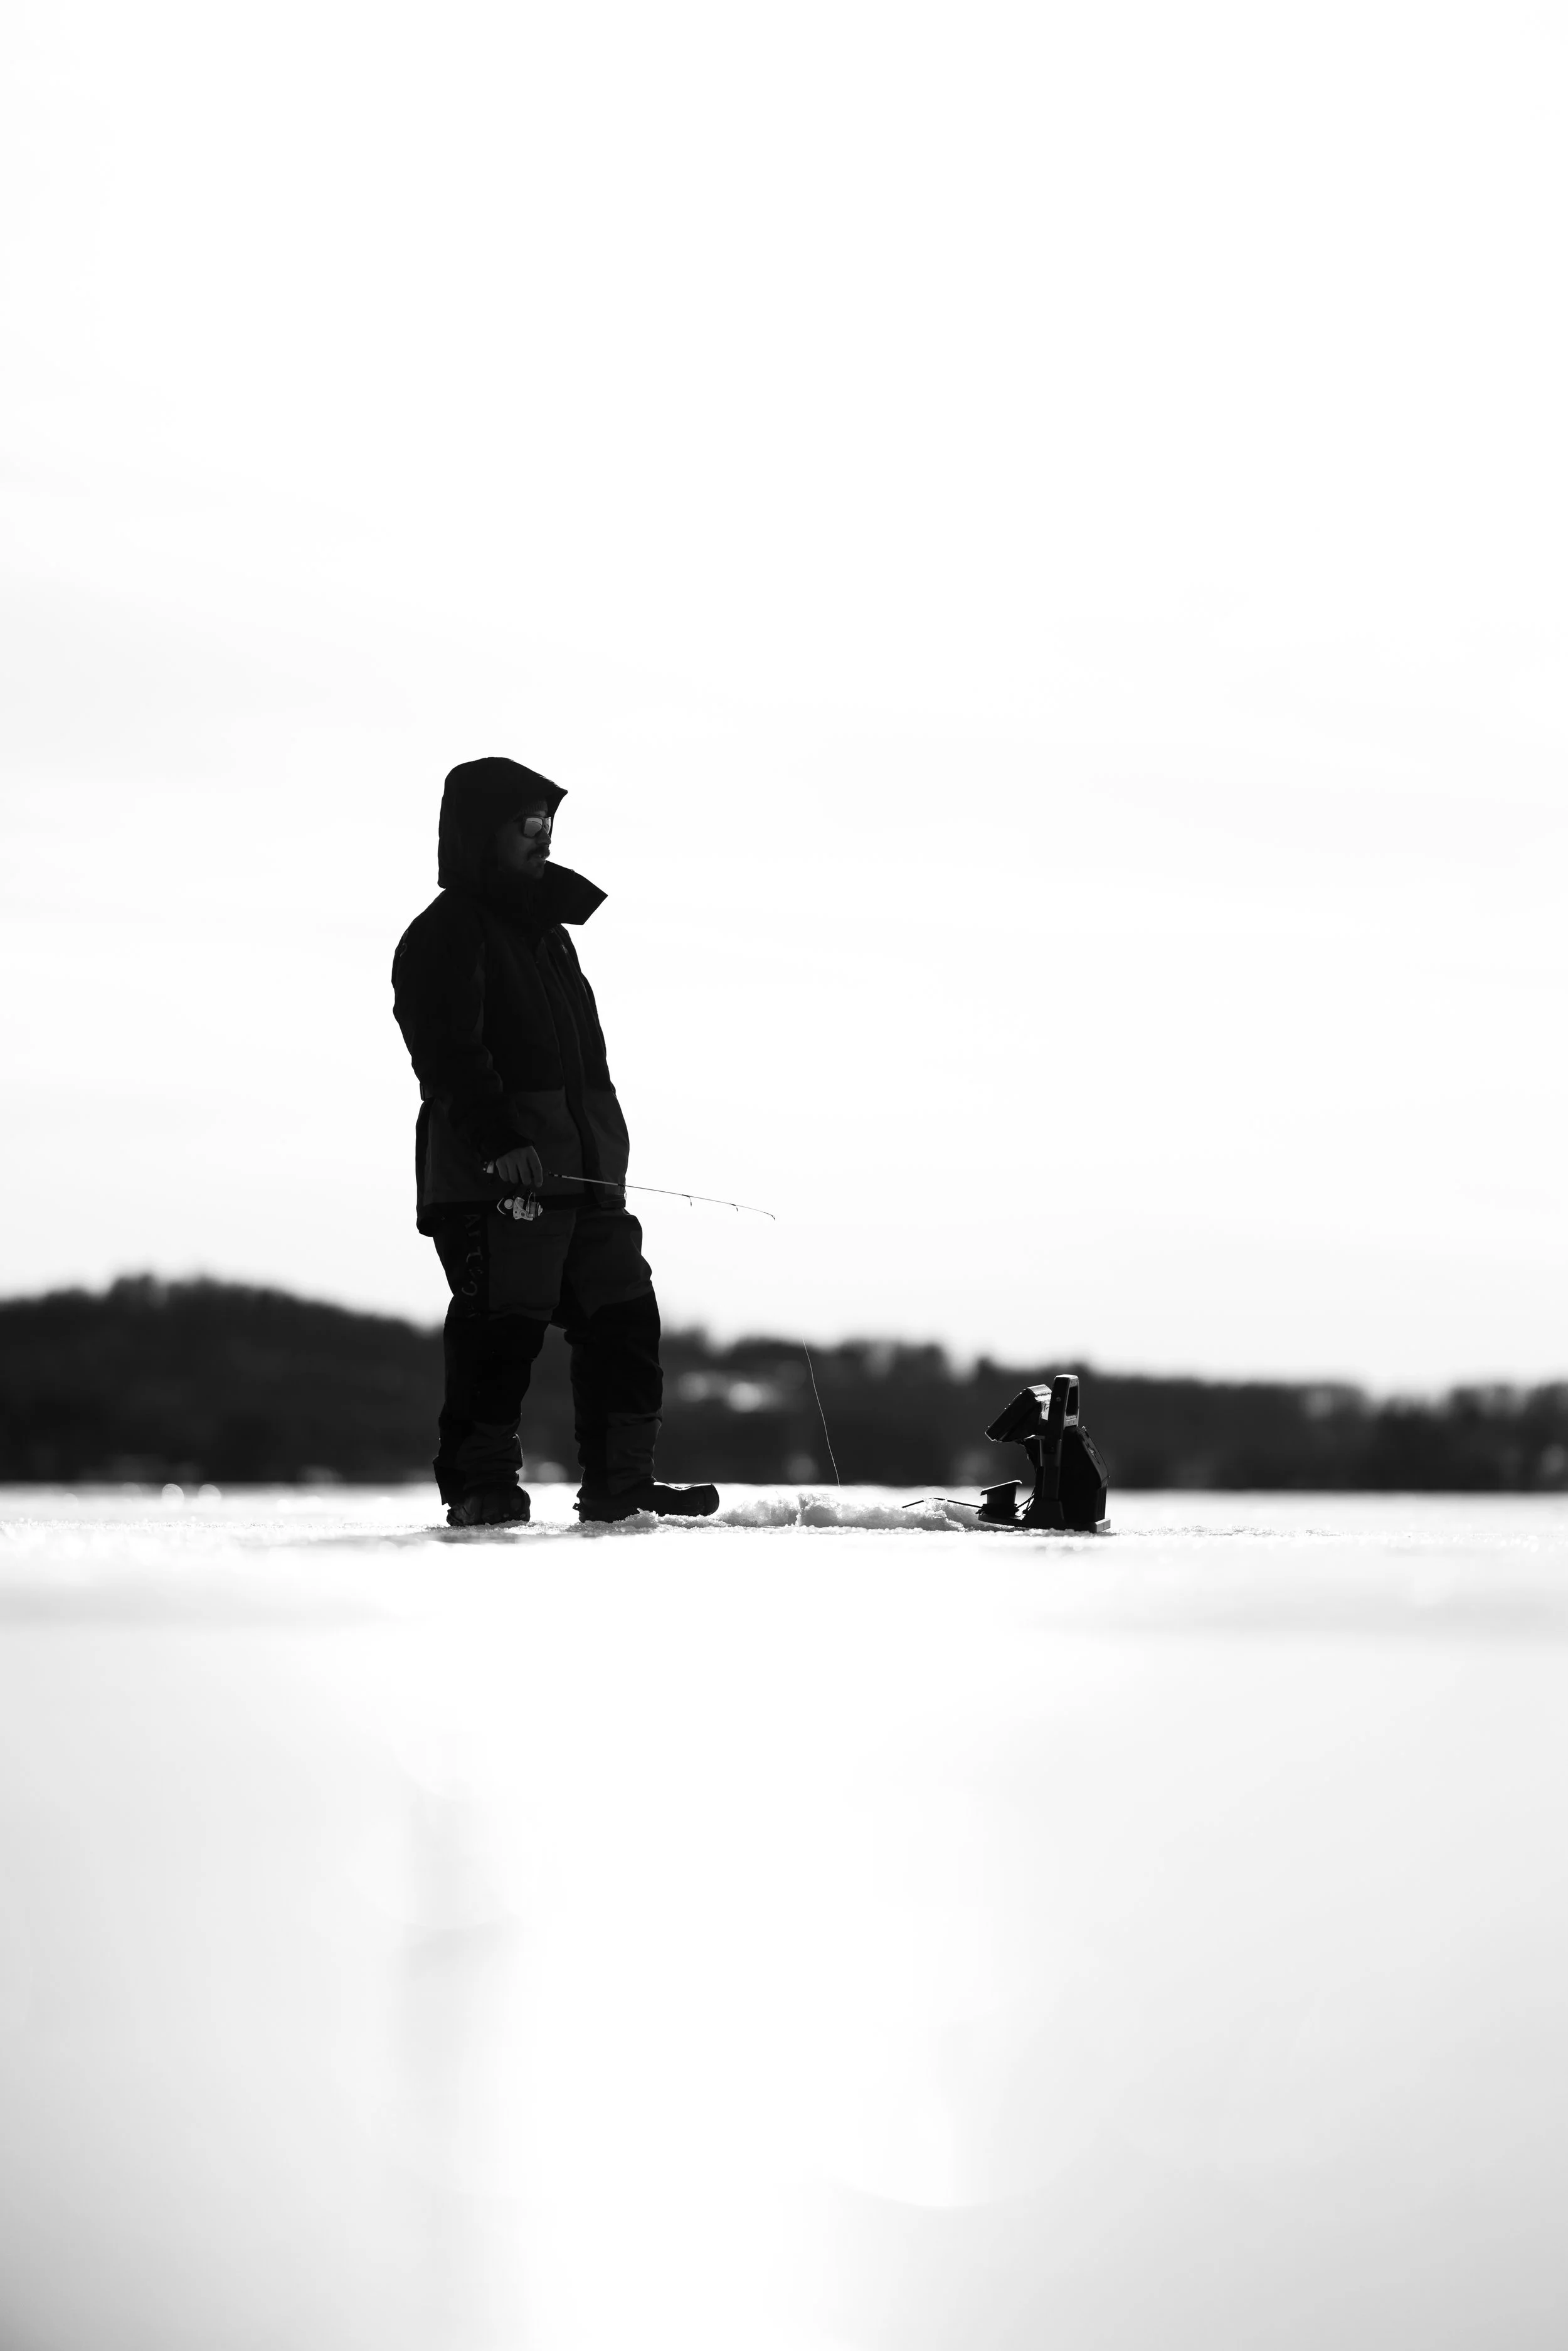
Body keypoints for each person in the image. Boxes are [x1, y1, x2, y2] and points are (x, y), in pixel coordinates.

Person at [392, 756, 720, 1527]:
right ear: (483, 834)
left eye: (549, 824)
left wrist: (602, 1153)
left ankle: (622, 1485)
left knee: (625, 1319)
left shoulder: (548, 934)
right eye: (528, 825)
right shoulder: (447, 933)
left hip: (584, 1181)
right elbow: (445, 1053)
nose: (544, 838)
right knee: (499, 1334)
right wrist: (497, 1139)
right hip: (496, 1180)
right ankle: (481, 1487)